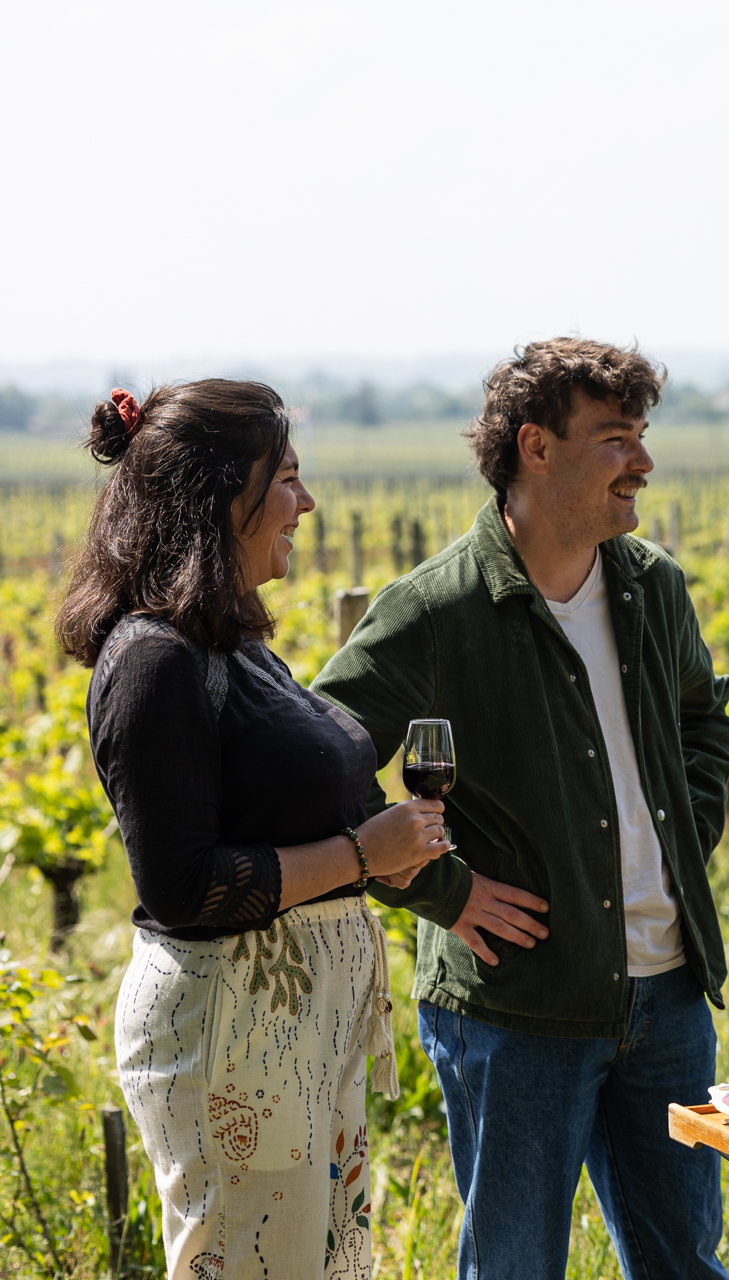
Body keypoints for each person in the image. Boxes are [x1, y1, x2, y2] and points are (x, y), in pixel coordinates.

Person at [311, 338, 729, 1280]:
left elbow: (704, 721)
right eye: (616, 438)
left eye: (642, 435)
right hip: (516, 1010)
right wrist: (445, 891)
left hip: (669, 998)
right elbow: (319, 767)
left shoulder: (654, 585)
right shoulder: (433, 611)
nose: (643, 461)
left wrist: (688, 833)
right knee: (513, 1268)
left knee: (686, 1267)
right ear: (536, 447)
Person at [59, 380, 449, 1280]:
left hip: (285, 1037)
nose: (306, 504)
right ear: (219, 498)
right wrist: (363, 854)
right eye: (288, 478)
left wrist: (378, 851)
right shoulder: (154, 662)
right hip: (229, 1039)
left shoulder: (231, 644)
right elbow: (184, 886)